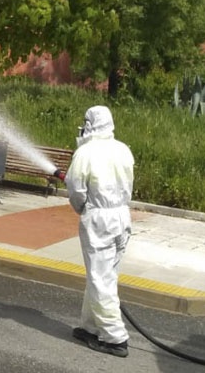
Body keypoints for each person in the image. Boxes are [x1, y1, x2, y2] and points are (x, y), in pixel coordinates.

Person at [60, 105, 135, 358]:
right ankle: (91, 326)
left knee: (99, 278)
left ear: (91, 124)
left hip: (99, 219)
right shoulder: (123, 149)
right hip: (122, 216)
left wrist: (83, 208)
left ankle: (115, 338)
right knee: (104, 275)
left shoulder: (86, 153)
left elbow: (76, 189)